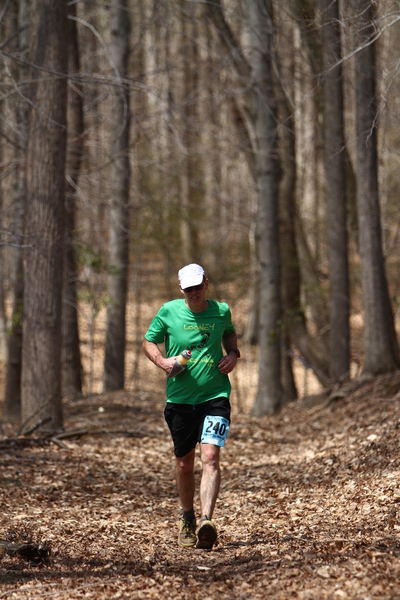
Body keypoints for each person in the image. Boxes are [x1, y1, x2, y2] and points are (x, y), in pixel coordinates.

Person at [142, 263, 240, 550]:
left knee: (210, 457)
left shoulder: (221, 311)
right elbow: (148, 341)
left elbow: (229, 333)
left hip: (215, 396)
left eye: (198, 286)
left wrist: (233, 354)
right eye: (188, 289)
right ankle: (188, 517)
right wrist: (162, 362)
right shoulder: (168, 311)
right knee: (185, 464)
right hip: (180, 401)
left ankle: (207, 522)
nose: (194, 292)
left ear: (206, 283)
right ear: (180, 289)